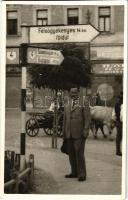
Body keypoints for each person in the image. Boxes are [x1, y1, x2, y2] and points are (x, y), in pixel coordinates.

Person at [62, 88, 91, 181]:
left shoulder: (84, 102)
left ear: (78, 93)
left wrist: (86, 129)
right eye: (71, 93)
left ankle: (82, 174)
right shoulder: (67, 103)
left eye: (75, 93)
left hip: (79, 132)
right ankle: (74, 172)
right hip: (69, 132)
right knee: (71, 153)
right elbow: (65, 119)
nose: (73, 94)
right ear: (69, 93)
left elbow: (87, 118)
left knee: (79, 153)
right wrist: (63, 132)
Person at [115, 92, 123, 156]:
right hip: (120, 122)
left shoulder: (117, 104)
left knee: (119, 137)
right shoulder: (121, 104)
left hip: (118, 121)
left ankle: (118, 150)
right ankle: (118, 151)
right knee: (120, 136)